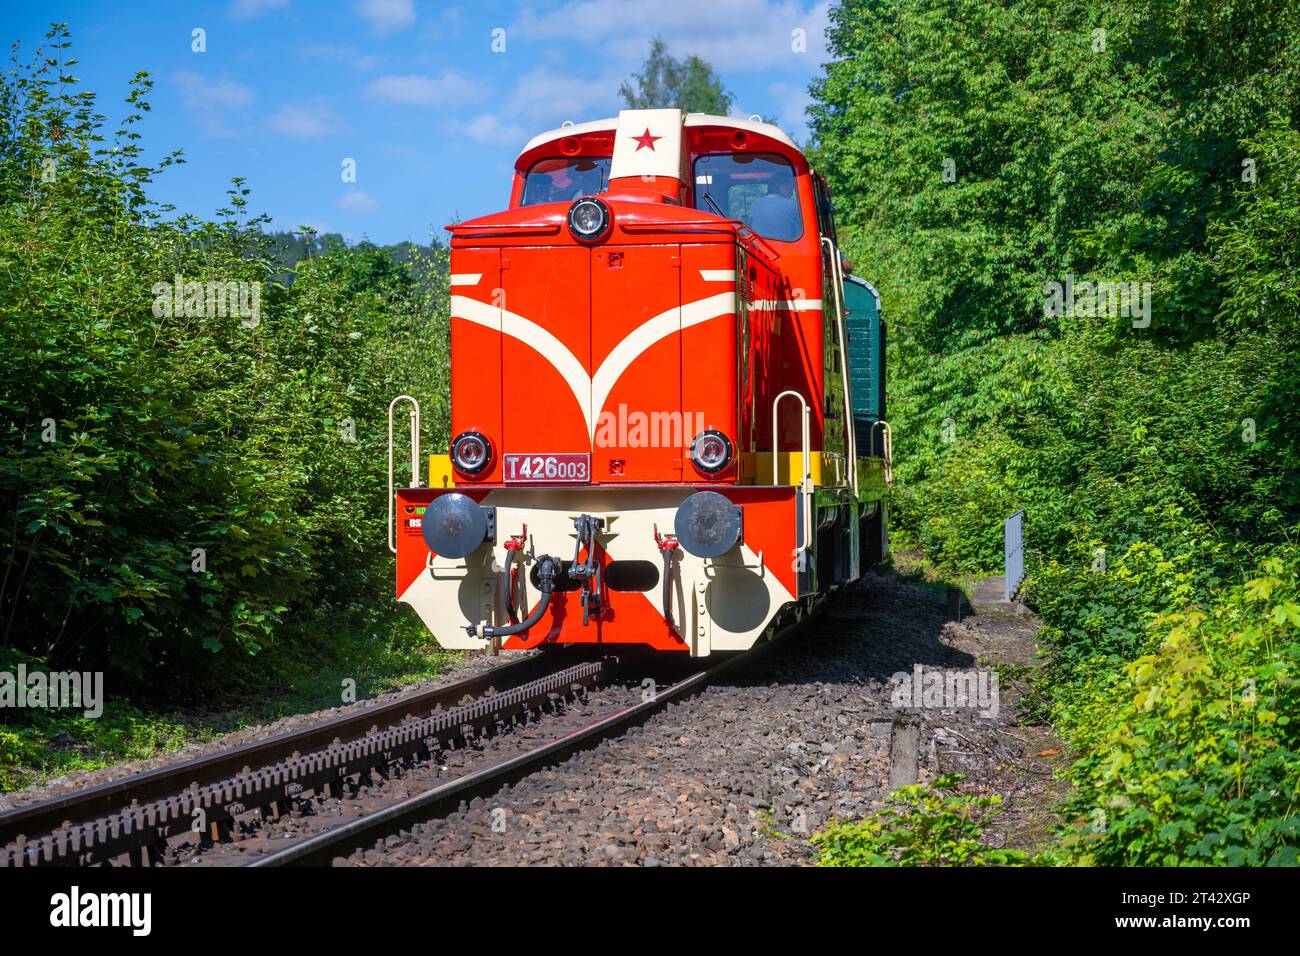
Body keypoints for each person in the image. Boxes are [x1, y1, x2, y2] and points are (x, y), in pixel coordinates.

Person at [748, 176, 802, 241]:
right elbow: (800, 234)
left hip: (758, 248)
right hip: (785, 249)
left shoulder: (755, 204)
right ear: (782, 187)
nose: (792, 194)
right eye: (790, 189)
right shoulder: (793, 206)